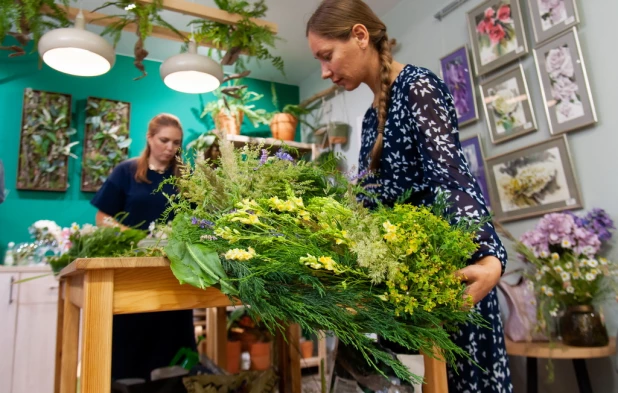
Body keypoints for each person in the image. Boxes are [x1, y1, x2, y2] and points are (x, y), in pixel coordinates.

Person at [306, 1, 512, 392]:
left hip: (453, 283)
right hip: (408, 293)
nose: (324, 71)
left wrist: (489, 258)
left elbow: (450, 176)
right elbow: (372, 205)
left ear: (360, 35)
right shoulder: (370, 119)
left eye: (327, 56)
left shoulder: (416, 86)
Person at [91, 113, 196, 381]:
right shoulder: (126, 171)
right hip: (132, 271)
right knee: (130, 338)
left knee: (173, 339)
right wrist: (132, 236)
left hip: (173, 274)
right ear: (149, 138)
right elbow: (103, 218)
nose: (170, 148)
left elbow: (200, 220)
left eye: (176, 142)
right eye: (163, 140)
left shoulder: (185, 176)